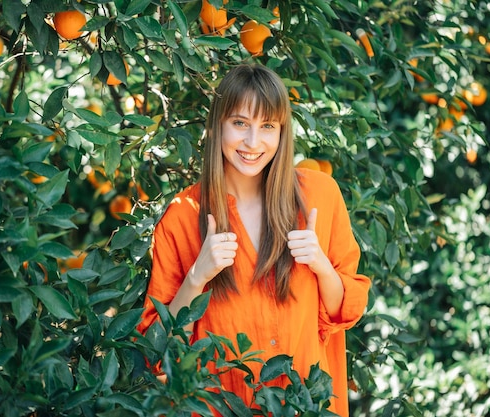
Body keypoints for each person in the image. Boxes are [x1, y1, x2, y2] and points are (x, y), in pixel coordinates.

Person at [138, 64, 371, 416]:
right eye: (240, 123)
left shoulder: (320, 195)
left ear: (282, 132)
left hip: (303, 406)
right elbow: (159, 351)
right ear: (218, 126)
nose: (252, 142)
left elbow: (344, 311)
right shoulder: (183, 217)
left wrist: (321, 266)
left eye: (267, 127)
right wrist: (196, 278)